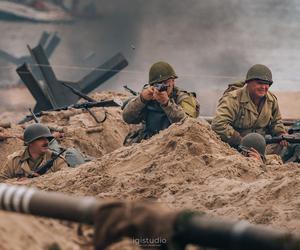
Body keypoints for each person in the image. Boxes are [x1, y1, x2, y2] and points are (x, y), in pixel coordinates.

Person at [211, 64, 287, 152]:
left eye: (267, 84)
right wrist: (241, 140)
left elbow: (276, 122)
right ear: (248, 82)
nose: (263, 87)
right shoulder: (233, 99)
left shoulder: (271, 100)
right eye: (259, 83)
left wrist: (280, 133)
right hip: (235, 146)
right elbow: (218, 124)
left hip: (262, 145)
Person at [122, 61, 200, 144]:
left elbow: (189, 125)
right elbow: (127, 118)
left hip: (176, 141)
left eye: (166, 82)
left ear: (173, 81)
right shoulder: (149, 96)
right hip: (149, 140)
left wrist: (166, 103)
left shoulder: (183, 98)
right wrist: (142, 99)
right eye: (158, 83)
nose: (163, 86)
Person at [0, 124, 68, 181]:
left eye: (47, 138)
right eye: (41, 139)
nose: (46, 142)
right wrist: (18, 181)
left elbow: (65, 181)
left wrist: (38, 180)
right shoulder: (14, 160)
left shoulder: (57, 161)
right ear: (30, 143)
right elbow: (2, 181)